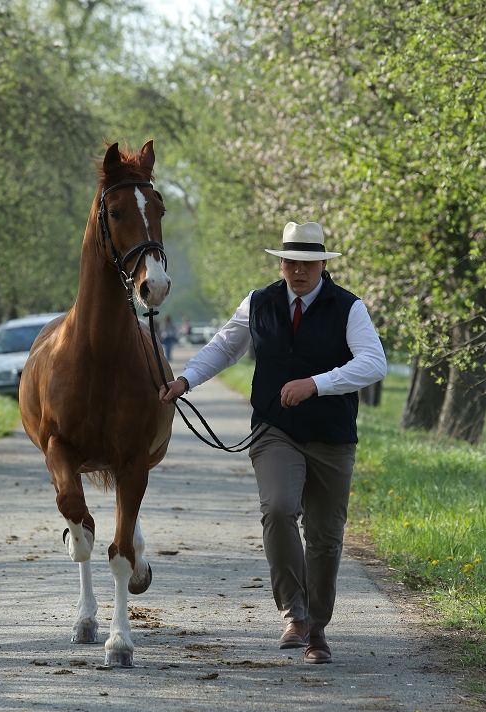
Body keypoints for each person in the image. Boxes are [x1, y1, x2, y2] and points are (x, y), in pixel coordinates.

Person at [160, 221, 387, 663]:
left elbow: (373, 363)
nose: (297, 270)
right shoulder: (259, 302)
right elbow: (224, 347)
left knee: (324, 537)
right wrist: (186, 379)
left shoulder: (349, 308)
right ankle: (295, 614)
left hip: (332, 437)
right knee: (279, 508)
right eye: (290, 261)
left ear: (323, 264)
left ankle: (317, 631)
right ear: (280, 263)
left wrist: (316, 384)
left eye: (307, 262)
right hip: (275, 430)